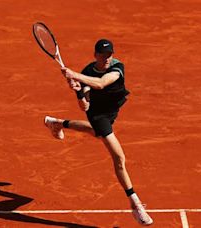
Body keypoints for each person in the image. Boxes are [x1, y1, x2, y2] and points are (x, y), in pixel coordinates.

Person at [44, 39, 153, 226]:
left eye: (110, 54)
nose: (108, 58)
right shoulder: (87, 72)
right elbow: (84, 105)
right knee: (119, 158)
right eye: (103, 55)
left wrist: (75, 77)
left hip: (111, 111)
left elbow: (102, 83)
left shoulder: (117, 67)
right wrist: (79, 91)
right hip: (98, 114)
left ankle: (57, 124)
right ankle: (135, 203)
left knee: (97, 133)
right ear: (95, 55)